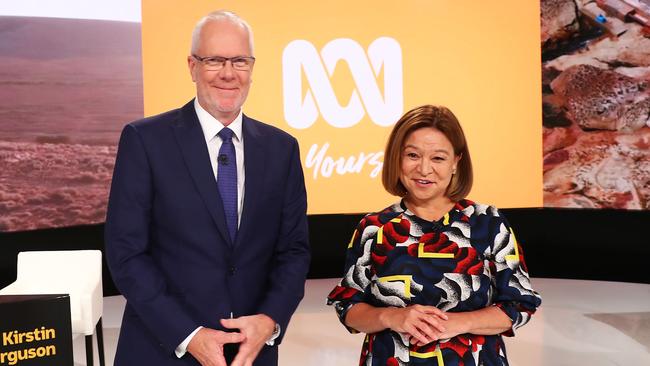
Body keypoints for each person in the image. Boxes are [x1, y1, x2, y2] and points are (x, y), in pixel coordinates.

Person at [105, 10, 310, 366]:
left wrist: (269, 321)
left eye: (240, 61)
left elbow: (294, 251)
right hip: (163, 350)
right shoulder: (145, 140)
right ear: (192, 66)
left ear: (252, 67)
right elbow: (126, 254)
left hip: (250, 354)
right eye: (215, 60)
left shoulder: (282, 149)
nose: (229, 73)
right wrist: (188, 335)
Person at [327, 105, 541, 365]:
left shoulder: (488, 223)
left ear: (456, 162)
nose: (424, 169)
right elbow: (348, 306)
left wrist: (457, 323)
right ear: (397, 158)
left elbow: (520, 304)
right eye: (413, 155)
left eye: (438, 158)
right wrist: (392, 317)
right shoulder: (375, 227)